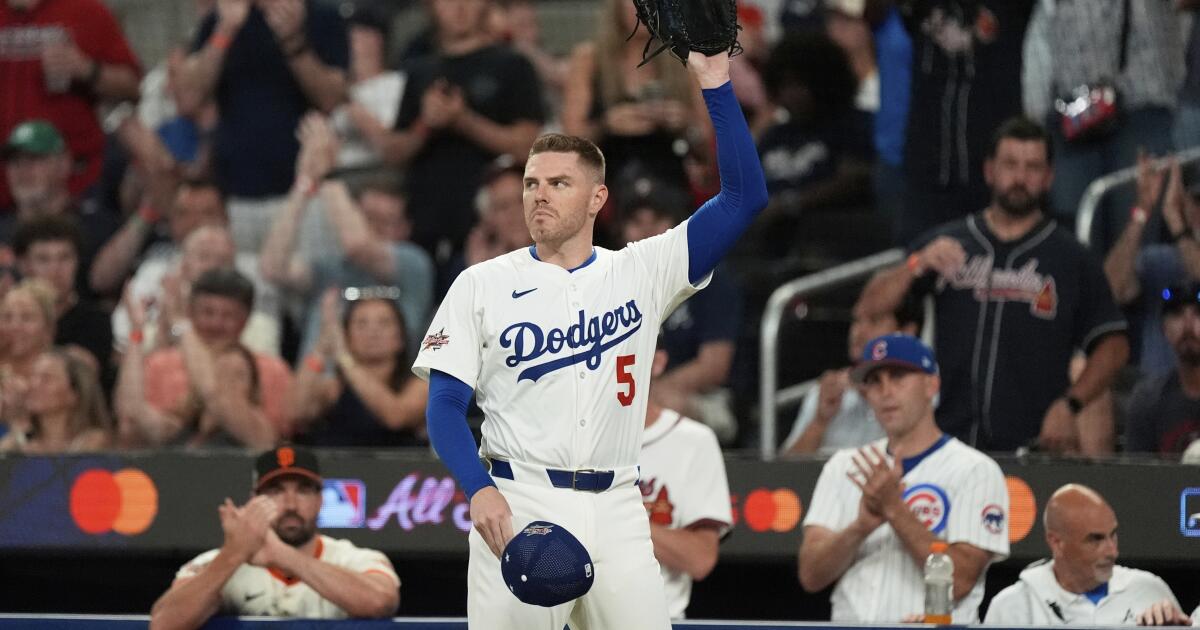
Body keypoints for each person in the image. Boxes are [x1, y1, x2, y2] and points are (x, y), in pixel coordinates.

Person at [412, 51, 767, 628]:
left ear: (598, 199)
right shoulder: (481, 283)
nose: (539, 195)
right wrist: (478, 490)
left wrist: (715, 84)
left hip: (620, 505)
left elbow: (744, 198)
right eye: (531, 183)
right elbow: (446, 406)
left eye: (558, 183)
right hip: (519, 500)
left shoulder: (642, 270)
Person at [857, 117, 1129, 454]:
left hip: (1032, 448)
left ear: (1048, 178)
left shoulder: (1070, 257)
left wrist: (1071, 404)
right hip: (947, 443)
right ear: (989, 171)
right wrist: (917, 263)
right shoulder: (948, 242)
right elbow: (869, 307)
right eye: (1010, 165)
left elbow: (1114, 344)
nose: (1020, 178)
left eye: (1032, 168)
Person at [798, 333, 1009, 622]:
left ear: (931, 384)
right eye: (874, 381)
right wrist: (860, 527)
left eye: (898, 376)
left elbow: (959, 581)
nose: (885, 391)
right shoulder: (843, 466)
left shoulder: (975, 470)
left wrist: (895, 509)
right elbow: (811, 575)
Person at [149, 445, 399, 629]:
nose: (290, 504)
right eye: (276, 491)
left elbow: (380, 602)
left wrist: (280, 554)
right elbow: (164, 624)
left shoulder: (353, 558)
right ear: (254, 499)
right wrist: (234, 554)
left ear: (320, 500)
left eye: (303, 490)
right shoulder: (223, 561)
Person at [382, 0, 545, 267]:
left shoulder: (513, 65)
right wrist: (426, 122)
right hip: (425, 227)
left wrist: (463, 120)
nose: (458, 6)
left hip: (494, 233)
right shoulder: (418, 71)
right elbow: (394, 152)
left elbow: (527, 145)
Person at [259, 114, 433, 355]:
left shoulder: (414, 263)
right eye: (368, 220)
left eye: (386, 223)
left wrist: (328, 174)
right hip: (319, 383)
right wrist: (304, 184)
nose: (373, 230)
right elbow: (272, 268)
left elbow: (358, 245)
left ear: (404, 229)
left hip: (382, 385)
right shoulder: (331, 266)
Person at [1022, 0, 1184, 252]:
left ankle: (1135, 291)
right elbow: (1040, 40)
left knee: (1137, 227)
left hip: (1145, 111)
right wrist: (1034, 121)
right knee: (1075, 232)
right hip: (1075, 116)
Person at [619, 179, 741, 443]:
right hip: (630, 395)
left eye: (658, 219)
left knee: (661, 409)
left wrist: (647, 397)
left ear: (676, 225)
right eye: (636, 222)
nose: (647, 230)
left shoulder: (706, 276)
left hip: (704, 398)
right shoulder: (614, 281)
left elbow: (714, 366)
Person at [115, 268, 291, 449]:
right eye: (208, 313)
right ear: (192, 311)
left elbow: (214, 394)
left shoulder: (270, 376)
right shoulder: (179, 418)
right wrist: (136, 331)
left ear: (246, 319)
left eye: (228, 315)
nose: (216, 324)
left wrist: (180, 325)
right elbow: (132, 412)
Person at [0, 0, 141, 207]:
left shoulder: (85, 11)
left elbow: (133, 86)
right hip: (7, 179)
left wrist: (86, 68)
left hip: (76, 184)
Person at [984, 484, 1184, 625]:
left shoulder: (1150, 591)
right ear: (1056, 542)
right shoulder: (1012, 607)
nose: (1112, 551)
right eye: (1095, 539)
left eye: (1113, 535)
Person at [639, 343, 731, 618]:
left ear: (658, 362)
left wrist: (620, 514)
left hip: (659, 619)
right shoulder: (571, 439)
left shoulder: (693, 441)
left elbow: (701, 558)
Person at [780, 289, 922, 455]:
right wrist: (820, 421)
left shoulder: (924, 388)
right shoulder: (828, 392)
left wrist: (876, 395)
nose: (858, 332)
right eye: (856, 321)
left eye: (873, 321)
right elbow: (784, 471)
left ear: (906, 331)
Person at [290, 288, 428, 447]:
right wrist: (322, 346)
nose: (373, 332)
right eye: (361, 324)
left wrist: (344, 357)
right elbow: (296, 413)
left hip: (401, 469)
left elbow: (396, 417)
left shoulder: (420, 385)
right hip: (340, 469)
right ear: (347, 336)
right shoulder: (336, 387)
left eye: (384, 323)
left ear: (401, 337)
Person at [1104, 156, 1200, 376]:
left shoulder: (1178, 230)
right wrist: (1142, 210)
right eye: (1197, 202)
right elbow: (1109, 290)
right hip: (1159, 399)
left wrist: (1176, 222)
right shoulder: (1159, 260)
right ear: (1184, 202)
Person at [1, 120, 121, 287]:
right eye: (15, 161)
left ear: (64, 164)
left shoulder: (97, 228)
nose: (23, 170)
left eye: (35, 159)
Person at [13, 215, 113, 385]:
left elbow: (82, 374)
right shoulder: (8, 318)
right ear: (24, 265)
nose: (55, 270)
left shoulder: (96, 321)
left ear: (77, 262)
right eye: (43, 259)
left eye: (65, 258)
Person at [1124, 283, 1200, 456]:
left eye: (1198, 313)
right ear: (1165, 329)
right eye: (1177, 314)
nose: (1188, 325)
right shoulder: (1148, 400)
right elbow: (1137, 476)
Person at [0, 348, 111, 453]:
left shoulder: (93, 441)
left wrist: (21, 425)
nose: (33, 385)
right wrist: (20, 428)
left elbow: (45, 467)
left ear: (74, 394)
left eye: (46, 379)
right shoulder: (16, 439)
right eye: (32, 376)